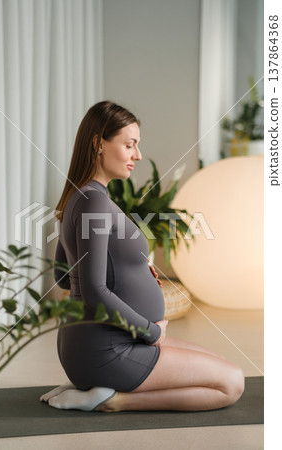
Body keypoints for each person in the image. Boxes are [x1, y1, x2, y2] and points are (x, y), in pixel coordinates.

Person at [40, 100, 245, 412]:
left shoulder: (81, 197)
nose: (137, 155)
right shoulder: (94, 203)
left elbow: (64, 276)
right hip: (108, 349)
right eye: (129, 145)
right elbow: (93, 291)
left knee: (218, 363)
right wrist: (149, 331)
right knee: (231, 384)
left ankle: (91, 383)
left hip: (97, 343)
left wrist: (128, 273)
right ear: (98, 144)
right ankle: (112, 400)